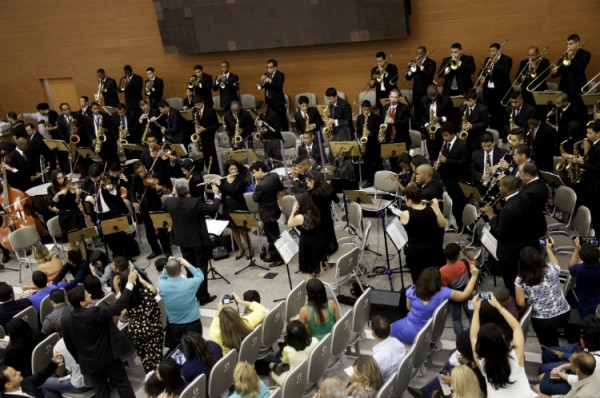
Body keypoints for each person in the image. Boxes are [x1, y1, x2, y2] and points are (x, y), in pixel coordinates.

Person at [61, 269, 138, 398]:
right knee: (122, 384)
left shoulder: (65, 320)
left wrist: (80, 360)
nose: (90, 295)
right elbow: (119, 306)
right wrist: (129, 283)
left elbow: (69, 345)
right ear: (81, 302)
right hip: (108, 358)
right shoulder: (94, 313)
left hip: (89, 363)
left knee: (101, 392)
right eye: (86, 295)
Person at [163, 178, 220, 305]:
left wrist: (173, 193)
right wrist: (216, 194)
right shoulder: (194, 202)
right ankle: (204, 297)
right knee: (200, 269)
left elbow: (164, 206)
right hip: (197, 240)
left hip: (182, 240)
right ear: (188, 189)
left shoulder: (169, 202)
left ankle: (194, 295)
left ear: (176, 190)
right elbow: (213, 208)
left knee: (189, 268)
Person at [470, 293, 537, 398]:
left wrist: (476, 310)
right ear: (502, 340)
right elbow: (516, 328)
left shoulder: (482, 364)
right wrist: (498, 306)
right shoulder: (516, 356)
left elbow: (473, 337)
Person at [391, 266, 478, 344]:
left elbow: (408, 308)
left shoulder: (411, 290)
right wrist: (474, 276)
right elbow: (465, 295)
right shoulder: (444, 292)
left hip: (405, 328)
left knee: (386, 329)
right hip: (424, 335)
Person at [481, 175, 536, 297]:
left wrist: (491, 216)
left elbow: (500, 232)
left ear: (505, 188)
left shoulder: (508, 210)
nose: (499, 188)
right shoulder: (523, 197)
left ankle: (515, 304)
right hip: (523, 242)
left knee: (510, 282)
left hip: (511, 251)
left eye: (500, 186)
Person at [515, 244, 571, 348]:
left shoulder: (520, 280)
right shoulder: (551, 268)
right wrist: (549, 250)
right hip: (564, 312)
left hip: (543, 321)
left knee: (549, 347)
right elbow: (556, 264)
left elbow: (520, 302)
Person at [536, 316, 600, 397]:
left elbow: (577, 383)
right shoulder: (589, 359)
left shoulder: (585, 391)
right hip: (576, 377)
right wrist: (561, 369)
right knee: (545, 361)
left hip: (576, 385)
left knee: (539, 382)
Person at [116, 267, 163, 373]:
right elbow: (154, 289)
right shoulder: (147, 292)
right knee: (157, 356)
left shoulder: (124, 299)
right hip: (152, 328)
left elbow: (120, 311)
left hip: (136, 331)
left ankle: (150, 374)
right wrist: (141, 280)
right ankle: (160, 375)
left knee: (144, 356)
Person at [399, 184, 445, 282]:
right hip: (434, 251)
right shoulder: (432, 209)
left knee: (418, 279)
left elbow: (402, 224)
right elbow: (442, 225)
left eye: (405, 199)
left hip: (416, 254)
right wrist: (437, 209)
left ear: (410, 200)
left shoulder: (405, 214)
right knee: (433, 279)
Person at [157, 257, 204, 350]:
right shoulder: (190, 283)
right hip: (193, 324)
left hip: (174, 326)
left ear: (166, 270)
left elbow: (162, 277)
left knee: (182, 350)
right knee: (198, 348)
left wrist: (167, 266)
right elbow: (200, 275)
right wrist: (186, 263)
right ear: (181, 269)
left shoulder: (161, 285)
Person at [130, 158, 173, 259]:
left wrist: (158, 189)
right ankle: (156, 250)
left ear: (144, 167)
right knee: (149, 231)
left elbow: (161, 191)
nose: (141, 174)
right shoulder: (134, 178)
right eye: (138, 173)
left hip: (155, 204)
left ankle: (167, 250)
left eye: (142, 171)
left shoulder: (154, 174)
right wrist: (133, 202)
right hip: (144, 206)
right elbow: (131, 191)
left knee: (161, 228)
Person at [436, 122, 471, 227]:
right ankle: (459, 225)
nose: (444, 138)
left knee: (460, 204)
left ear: (453, 134)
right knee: (453, 204)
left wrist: (447, 160)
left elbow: (464, 164)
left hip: (460, 179)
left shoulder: (463, 145)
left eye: (446, 135)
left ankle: (465, 225)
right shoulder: (444, 144)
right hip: (449, 179)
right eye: (443, 135)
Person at [251, 161, 284, 267]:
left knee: (273, 237)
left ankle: (281, 258)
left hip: (267, 213)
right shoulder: (274, 175)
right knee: (274, 234)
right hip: (274, 209)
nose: (253, 175)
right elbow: (280, 187)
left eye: (254, 172)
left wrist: (256, 185)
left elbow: (255, 198)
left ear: (260, 169)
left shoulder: (260, 185)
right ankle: (274, 255)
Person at [218, 159, 252, 260]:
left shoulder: (241, 178)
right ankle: (240, 248)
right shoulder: (224, 178)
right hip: (228, 205)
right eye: (231, 169)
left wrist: (220, 185)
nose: (233, 171)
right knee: (233, 229)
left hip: (238, 204)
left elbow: (234, 191)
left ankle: (250, 248)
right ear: (227, 170)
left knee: (242, 228)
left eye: (235, 168)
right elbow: (224, 192)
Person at [551, 34, 591, 118]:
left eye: (571, 43)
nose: (568, 46)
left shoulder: (585, 54)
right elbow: (558, 73)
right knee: (564, 110)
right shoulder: (564, 55)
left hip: (577, 87)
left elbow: (580, 69)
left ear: (578, 43)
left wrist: (572, 57)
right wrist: (555, 72)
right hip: (565, 87)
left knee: (579, 110)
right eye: (567, 44)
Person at [47, 169, 87, 255]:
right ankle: (75, 263)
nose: (62, 180)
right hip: (64, 216)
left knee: (81, 239)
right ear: (54, 179)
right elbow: (51, 204)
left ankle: (85, 261)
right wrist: (58, 194)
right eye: (59, 178)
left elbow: (76, 202)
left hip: (75, 213)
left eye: (62, 177)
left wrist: (78, 195)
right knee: (71, 241)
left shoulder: (69, 185)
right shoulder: (51, 189)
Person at [440, 243, 476, 336]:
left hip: (454, 295)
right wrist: (466, 253)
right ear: (457, 256)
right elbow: (477, 264)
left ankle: (460, 338)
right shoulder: (464, 262)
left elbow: (444, 287)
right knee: (472, 316)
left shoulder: (442, 271)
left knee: (456, 319)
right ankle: (475, 334)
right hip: (467, 292)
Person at [571, 120, 600, 235]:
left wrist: (582, 163)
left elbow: (598, 168)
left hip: (596, 186)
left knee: (595, 213)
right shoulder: (595, 144)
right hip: (590, 184)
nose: (587, 136)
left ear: (598, 133)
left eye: (590, 133)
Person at [270, 320, 319, 387]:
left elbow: (285, 361)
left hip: (297, 382)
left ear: (289, 336)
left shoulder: (287, 350)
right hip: (314, 376)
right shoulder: (315, 340)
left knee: (271, 373)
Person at [287, 192, 323, 278]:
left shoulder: (301, 217)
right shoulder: (315, 210)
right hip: (318, 239)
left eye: (296, 202)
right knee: (318, 263)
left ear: (302, 202)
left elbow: (289, 223)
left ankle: (312, 286)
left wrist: (293, 211)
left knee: (308, 271)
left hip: (307, 244)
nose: (295, 204)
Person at [480, 42, 513, 135]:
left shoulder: (507, 59)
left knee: (501, 114)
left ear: (499, 51)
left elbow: (505, 72)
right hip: (489, 91)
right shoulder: (488, 59)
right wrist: (482, 76)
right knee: (491, 113)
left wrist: (496, 63)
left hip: (501, 91)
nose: (491, 53)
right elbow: (483, 71)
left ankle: (502, 134)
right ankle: (494, 134)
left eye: (493, 51)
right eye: (490, 51)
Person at [306, 170, 339, 257]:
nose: (307, 184)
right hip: (328, 220)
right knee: (329, 236)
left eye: (307, 182)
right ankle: (332, 248)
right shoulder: (328, 188)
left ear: (313, 181)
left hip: (319, 222)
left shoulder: (313, 194)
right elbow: (337, 200)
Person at [568, 238, 600, 320]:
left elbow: (570, 267)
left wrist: (576, 249)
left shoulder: (579, 269)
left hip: (585, 305)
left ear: (581, 258)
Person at [421, 84, 455, 161]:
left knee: (442, 152)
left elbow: (452, 116)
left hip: (442, 129)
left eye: (434, 96)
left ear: (437, 92)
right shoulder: (423, 100)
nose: (432, 98)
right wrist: (426, 125)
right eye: (430, 97)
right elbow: (422, 115)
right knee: (432, 153)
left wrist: (440, 118)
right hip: (429, 130)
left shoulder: (446, 100)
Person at [405, 46, 436, 125]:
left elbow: (429, 74)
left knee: (426, 110)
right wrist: (410, 70)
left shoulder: (431, 62)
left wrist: (420, 66)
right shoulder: (414, 62)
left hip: (426, 91)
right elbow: (408, 78)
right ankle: (419, 128)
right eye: (417, 53)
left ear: (425, 53)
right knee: (417, 111)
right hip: (416, 91)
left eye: (420, 53)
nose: (418, 55)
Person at [370, 315, 406, 382]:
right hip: (398, 380)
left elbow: (374, 381)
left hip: (385, 385)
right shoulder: (398, 342)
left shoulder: (378, 358)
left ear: (373, 333)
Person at [356, 100, 382, 188]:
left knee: (375, 163)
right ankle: (369, 180)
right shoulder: (360, 118)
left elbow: (378, 130)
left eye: (367, 109)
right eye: (364, 110)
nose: (365, 112)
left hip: (374, 144)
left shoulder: (375, 117)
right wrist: (360, 139)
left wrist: (370, 133)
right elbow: (358, 131)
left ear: (370, 108)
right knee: (366, 163)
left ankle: (377, 181)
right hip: (365, 144)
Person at [518, 162, 548, 238]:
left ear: (528, 176)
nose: (519, 176)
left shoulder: (530, 193)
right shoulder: (541, 182)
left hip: (532, 228)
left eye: (520, 174)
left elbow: (521, 211)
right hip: (537, 219)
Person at [192, 96, 220, 174]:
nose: (197, 107)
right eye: (196, 105)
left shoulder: (210, 111)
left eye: (198, 105)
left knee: (213, 159)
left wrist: (205, 129)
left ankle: (217, 174)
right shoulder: (195, 111)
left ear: (202, 102)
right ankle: (209, 173)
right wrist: (196, 129)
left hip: (211, 138)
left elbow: (216, 125)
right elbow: (196, 122)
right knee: (206, 159)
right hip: (202, 139)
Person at [259, 58, 288, 131]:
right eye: (267, 67)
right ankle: (274, 133)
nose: (268, 69)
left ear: (275, 67)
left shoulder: (280, 75)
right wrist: (261, 81)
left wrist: (270, 80)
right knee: (271, 118)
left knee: (282, 119)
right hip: (269, 102)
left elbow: (279, 86)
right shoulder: (266, 74)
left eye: (270, 67)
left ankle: (285, 134)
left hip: (278, 102)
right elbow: (260, 87)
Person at [458, 88, 490, 152]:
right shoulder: (462, 108)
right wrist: (461, 128)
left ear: (475, 99)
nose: (467, 103)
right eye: (466, 101)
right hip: (466, 136)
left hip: (477, 135)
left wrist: (472, 126)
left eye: (470, 101)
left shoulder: (483, 109)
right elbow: (458, 121)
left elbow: (485, 123)